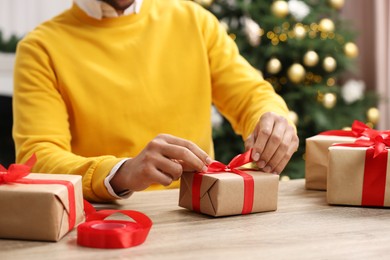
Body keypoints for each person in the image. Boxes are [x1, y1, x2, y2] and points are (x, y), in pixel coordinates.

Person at [13, 0, 299, 202]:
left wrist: (272, 116)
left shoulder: (194, 21)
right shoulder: (41, 48)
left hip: (198, 216)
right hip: (103, 226)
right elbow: (37, 157)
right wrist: (121, 173)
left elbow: (250, 94)